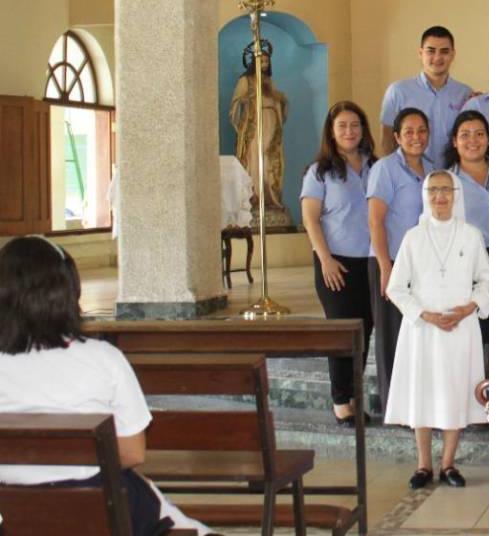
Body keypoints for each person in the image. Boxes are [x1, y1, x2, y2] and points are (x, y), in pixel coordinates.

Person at [0, 236, 214, 536]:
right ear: (70, 292)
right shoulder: (103, 359)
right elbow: (132, 453)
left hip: (10, 510)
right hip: (95, 505)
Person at [384, 170, 489, 491]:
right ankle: (423, 464)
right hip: (422, 329)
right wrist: (425, 315)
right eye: (433, 190)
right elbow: (396, 287)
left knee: (454, 391)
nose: (440, 197)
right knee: (422, 391)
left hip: (460, 328)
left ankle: (448, 463)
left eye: (446, 190)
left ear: (456, 194)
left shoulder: (471, 235)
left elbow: (487, 282)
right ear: (425, 195)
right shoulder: (413, 237)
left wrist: (469, 307)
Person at [301, 101, 377, 426]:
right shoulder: (320, 171)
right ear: (331, 133)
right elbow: (310, 219)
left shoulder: (376, 166)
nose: (349, 131)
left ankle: (355, 395)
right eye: (342, 126)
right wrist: (326, 259)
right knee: (342, 332)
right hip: (336, 263)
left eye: (355, 125)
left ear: (363, 130)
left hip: (371, 262)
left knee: (365, 332)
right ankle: (340, 401)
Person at [366, 107, 430, 413]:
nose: (416, 137)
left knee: (417, 331)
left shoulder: (433, 169)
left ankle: (416, 399)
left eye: (421, 131)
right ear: (397, 137)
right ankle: (394, 403)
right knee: (391, 334)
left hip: (423, 264)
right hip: (390, 261)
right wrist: (384, 267)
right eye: (409, 132)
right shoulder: (385, 168)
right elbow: (376, 221)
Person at [442, 110, 489, 382]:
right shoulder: (445, 181)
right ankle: (463, 405)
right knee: (464, 337)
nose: (473, 140)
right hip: (464, 264)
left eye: (479, 134)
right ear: (454, 142)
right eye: (465, 135)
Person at [379, 26, 473, 162]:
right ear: (420, 53)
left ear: (452, 55)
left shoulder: (464, 93)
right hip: (411, 175)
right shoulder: (398, 91)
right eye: (431, 51)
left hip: (452, 175)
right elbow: (387, 140)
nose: (437, 57)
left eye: (444, 51)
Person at [228, 39, 288, 213]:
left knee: (269, 159)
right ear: (254, 62)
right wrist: (248, 101)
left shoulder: (269, 82)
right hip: (254, 125)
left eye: (267, 61)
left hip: (270, 121)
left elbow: (278, 103)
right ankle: (253, 197)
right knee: (254, 158)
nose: (264, 64)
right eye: (261, 61)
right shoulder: (245, 81)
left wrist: (281, 102)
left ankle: (270, 197)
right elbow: (235, 105)